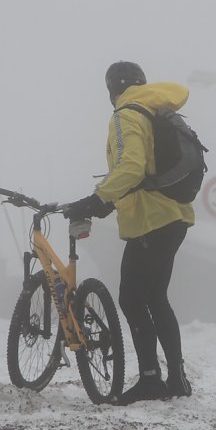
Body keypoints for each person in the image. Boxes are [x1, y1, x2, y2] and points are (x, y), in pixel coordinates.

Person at [65, 61, 194, 406]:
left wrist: (95, 200)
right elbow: (144, 170)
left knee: (132, 299)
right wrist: (108, 202)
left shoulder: (125, 114)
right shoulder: (154, 108)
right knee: (155, 297)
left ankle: (152, 380)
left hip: (150, 220)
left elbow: (132, 167)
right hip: (174, 215)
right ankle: (176, 379)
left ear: (112, 91)